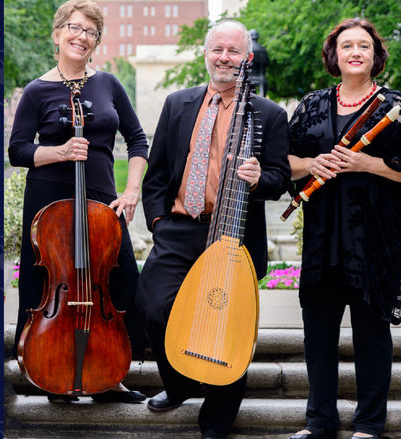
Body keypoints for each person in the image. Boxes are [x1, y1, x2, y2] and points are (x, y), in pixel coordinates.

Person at [136, 19, 291, 439]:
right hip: (181, 228)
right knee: (152, 304)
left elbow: (281, 179)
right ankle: (180, 383)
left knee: (228, 323)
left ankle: (218, 418)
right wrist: (158, 222)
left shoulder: (269, 114)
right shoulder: (178, 103)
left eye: (234, 51)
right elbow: (158, 172)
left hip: (234, 231)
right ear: (206, 53)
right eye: (217, 50)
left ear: (247, 58)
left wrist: (261, 177)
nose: (225, 57)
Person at [285, 18, 401, 439]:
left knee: (371, 334)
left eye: (363, 46)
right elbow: (285, 161)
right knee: (318, 334)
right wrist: (312, 164)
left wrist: (368, 164)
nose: (355, 52)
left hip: (376, 238)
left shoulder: (394, 106)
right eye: (346, 45)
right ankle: (320, 422)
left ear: (375, 56)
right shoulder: (312, 104)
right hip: (323, 237)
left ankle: (369, 423)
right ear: (334, 55)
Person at [8, 0, 148, 404]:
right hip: (49, 201)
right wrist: (60, 151)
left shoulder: (108, 84)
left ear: (97, 41)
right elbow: (18, 150)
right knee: (51, 285)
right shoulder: (37, 90)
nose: (80, 36)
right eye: (74, 27)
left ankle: (108, 374)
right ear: (57, 33)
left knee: (119, 281)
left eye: (90, 31)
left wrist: (132, 190)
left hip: (102, 199)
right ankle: (52, 370)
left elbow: (138, 140)